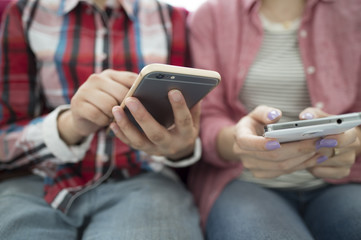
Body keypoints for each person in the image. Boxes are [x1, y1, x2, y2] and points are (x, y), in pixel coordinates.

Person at [0, 0, 204, 239]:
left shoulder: (171, 18)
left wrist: (181, 149)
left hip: (145, 180)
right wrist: (70, 125)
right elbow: (4, 139)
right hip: (37, 181)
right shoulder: (26, 12)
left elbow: (183, 129)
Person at [187, 0, 361, 239]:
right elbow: (206, 117)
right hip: (243, 180)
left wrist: (352, 141)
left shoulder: (353, 12)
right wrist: (239, 141)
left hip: (342, 181)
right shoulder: (211, 16)